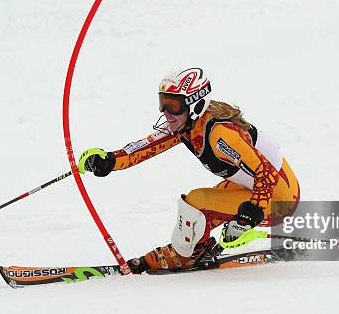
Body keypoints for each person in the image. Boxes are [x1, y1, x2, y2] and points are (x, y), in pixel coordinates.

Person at [79, 67, 300, 273]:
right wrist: (109, 161)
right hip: (250, 186)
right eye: (162, 103)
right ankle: (196, 248)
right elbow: (146, 147)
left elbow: (266, 174)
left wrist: (249, 215)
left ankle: (184, 255)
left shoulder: (220, 135)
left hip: (278, 199)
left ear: (195, 104)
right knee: (199, 213)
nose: (166, 112)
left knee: (196, 203)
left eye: (173, 105)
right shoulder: (189, 125)